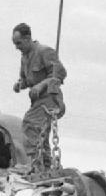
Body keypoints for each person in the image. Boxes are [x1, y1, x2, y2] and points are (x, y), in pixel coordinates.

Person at [11, 22, 67, 169]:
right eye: (15, 44)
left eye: (19, 43)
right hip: (37, 102)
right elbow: (25, 79)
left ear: (28, 38)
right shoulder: (25, 57)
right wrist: (19, 84)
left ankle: (35, 166)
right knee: (41, 136)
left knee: (30, 124)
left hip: (50, 99)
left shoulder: (45, 51)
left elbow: (59, 75)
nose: (17, 47)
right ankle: (46, 167)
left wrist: (42, 85)